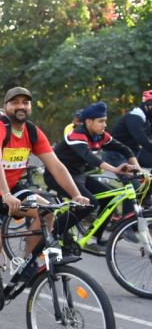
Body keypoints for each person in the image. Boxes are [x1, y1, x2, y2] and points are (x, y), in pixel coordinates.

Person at [0, 87, 90, 323]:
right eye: (15, 102)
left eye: (25, 103)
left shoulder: (32, 131)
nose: (21, 106)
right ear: (6, 106)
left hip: (9, 188)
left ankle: (29, 263)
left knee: (46, 209)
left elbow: (56, 165)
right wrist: (6, 195)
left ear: (30, 106)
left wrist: (76, 195)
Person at [45, 101, 139, 251]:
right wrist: (115, 169)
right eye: (101, 121)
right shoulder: (77, 134)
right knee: (89, 203)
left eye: (105, 121)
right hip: (56, 176)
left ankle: (93, 240)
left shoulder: (99, 136)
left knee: (109, 198)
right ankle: (52, 235)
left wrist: (137, 169)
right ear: (89, 121)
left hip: (77, 175)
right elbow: (90, 158)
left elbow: (125, 149)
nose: (104, 125)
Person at [105, 89, 152, 169]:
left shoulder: (146, 118)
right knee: (134, 179)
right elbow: (140, 138)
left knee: (142, 177)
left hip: (131, 153)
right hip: (116, 153)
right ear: (148, 104)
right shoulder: (135, 117)